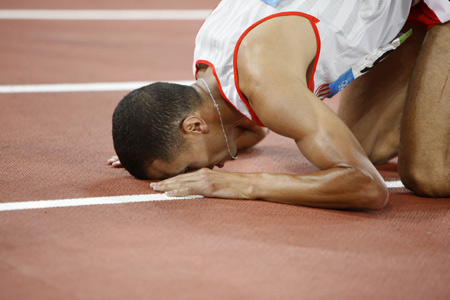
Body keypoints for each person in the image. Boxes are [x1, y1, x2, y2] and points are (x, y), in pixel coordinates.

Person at [110, 0, 450, 210]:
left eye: (187, 169)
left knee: (428, 176)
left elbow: (368, 188)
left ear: (194, 126)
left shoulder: (265, 80)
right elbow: (254, 128)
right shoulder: (209, 63)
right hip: (402, 14)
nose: (197, 175)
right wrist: (148, 144)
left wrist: (244, 185)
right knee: (364, 147)